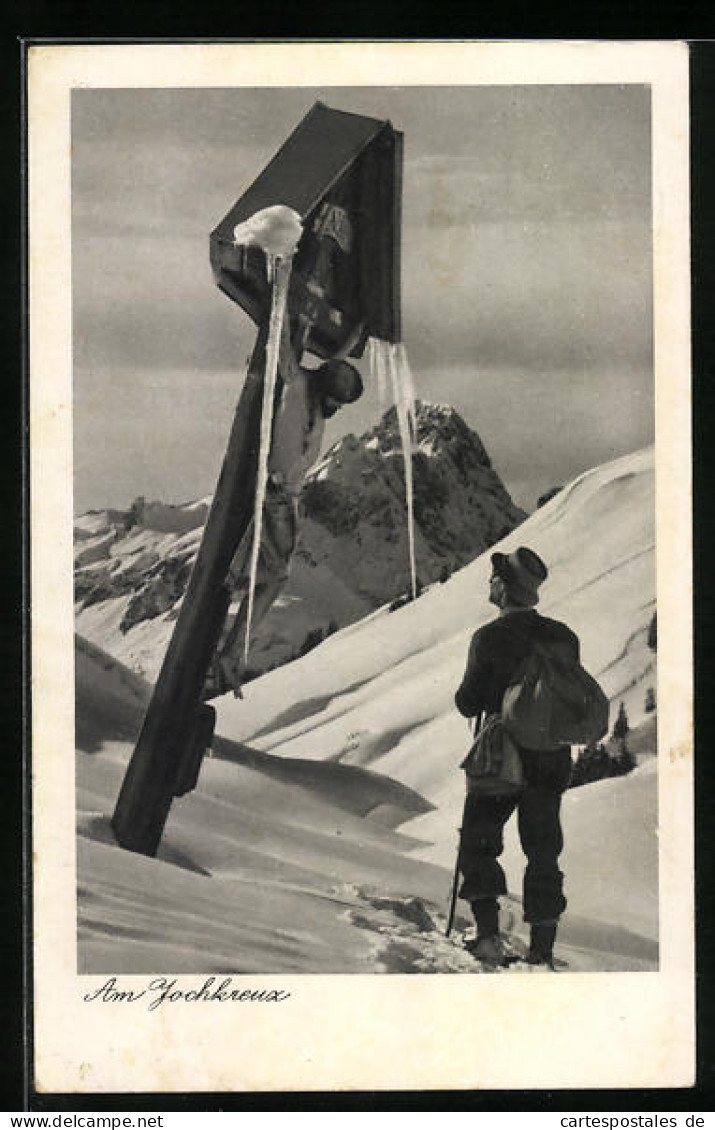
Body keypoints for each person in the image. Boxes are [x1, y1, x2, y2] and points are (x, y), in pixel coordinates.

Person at [204, 314, 364, 698]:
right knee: (265, 577)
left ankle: (227, 653)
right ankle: (227, 654)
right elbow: (284, 352)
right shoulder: (298, 385)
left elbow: (317, 362)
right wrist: (290, 315)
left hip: (282, 497)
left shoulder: (311, 395)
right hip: (273, 494)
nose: (337, 409)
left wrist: (340, 339)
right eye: (336, 400)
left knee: (259, 576)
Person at [454, 546, 579, 968]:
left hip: (502, 753)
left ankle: (488, 934)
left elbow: (468, 703)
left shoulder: (488, 637)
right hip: (552, 755)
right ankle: (542, 950)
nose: (489, 583)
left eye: (494, 578)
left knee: (478, 839)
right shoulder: (563, 635)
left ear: (505, 588)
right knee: (543, 850)